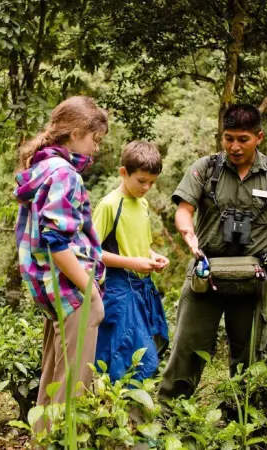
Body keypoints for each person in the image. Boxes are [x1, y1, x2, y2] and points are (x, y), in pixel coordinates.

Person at [158, 104, 267, 403]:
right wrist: (188, 234)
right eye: (228, 138)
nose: (235, 147)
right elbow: (184, 210)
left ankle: (242, 419)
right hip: (205, 274)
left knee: (249, 354)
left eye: (243, 139)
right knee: (186, 348)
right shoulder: (205, 168)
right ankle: (169, 416)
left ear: (259, 137)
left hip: (252, 280)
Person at [13, 96, 108, 410]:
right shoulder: (65, 174)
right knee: (72, 394)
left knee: (54, 385)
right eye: (95, 139)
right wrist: (90, 291)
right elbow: (56, 243)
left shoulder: (42, 167)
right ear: (77, 132)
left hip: (54, 292)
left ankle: (42, 441)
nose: (97, 148)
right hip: (72, 291)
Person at [93, 141, 170, 383]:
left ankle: (132, 414)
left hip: (142, 286)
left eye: (152, 182)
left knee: (144, 349)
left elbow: (139, 244)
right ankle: (121, 413)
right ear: (124, 173)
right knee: (128, 354)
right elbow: (91, 252)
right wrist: (132, 262)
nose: (146, 187)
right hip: (118, 288)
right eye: (141, 181)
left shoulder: (143, 203)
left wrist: (152, 256)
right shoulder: (109, 205)